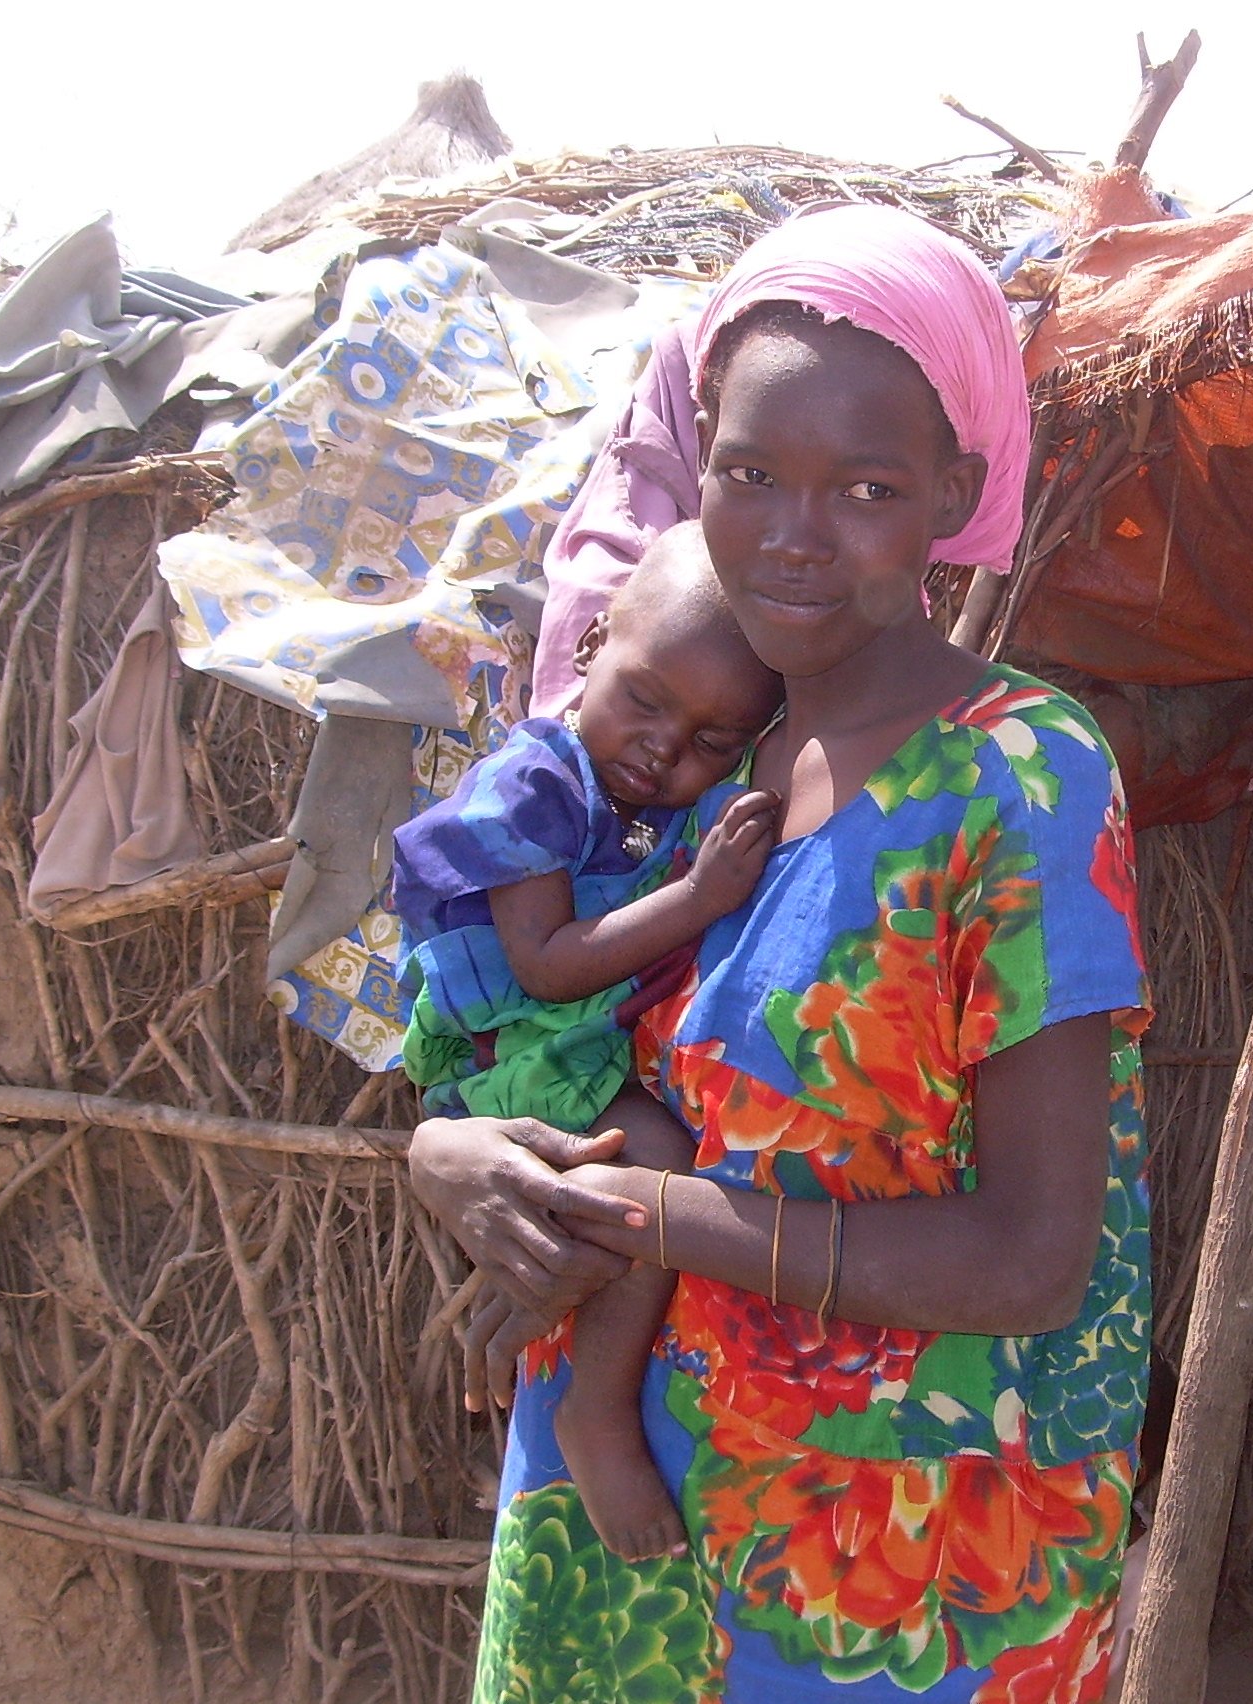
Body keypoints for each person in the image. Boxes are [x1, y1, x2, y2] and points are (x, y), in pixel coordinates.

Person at [410, 202, 1151, 1702]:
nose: (795, 536)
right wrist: (440, 1154)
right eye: (750, 474)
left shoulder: (1017, 776)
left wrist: (655, 1214)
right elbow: (539, 1027)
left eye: (868, 486)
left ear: (955, 491)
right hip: (619, 1537)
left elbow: (1031, 1260)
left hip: (889, 1576)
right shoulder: (689, 763)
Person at [391, 521, 781, 1562]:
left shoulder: (638, 798)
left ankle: (559, 1299)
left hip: (560, 1040)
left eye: (710, 740)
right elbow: (548, 965)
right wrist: (702, 896)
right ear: (592, 641)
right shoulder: (539, 782)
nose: (663, 748)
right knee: (648, 1158)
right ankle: (595, 1413)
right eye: (646, 700)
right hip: (506, 1049)